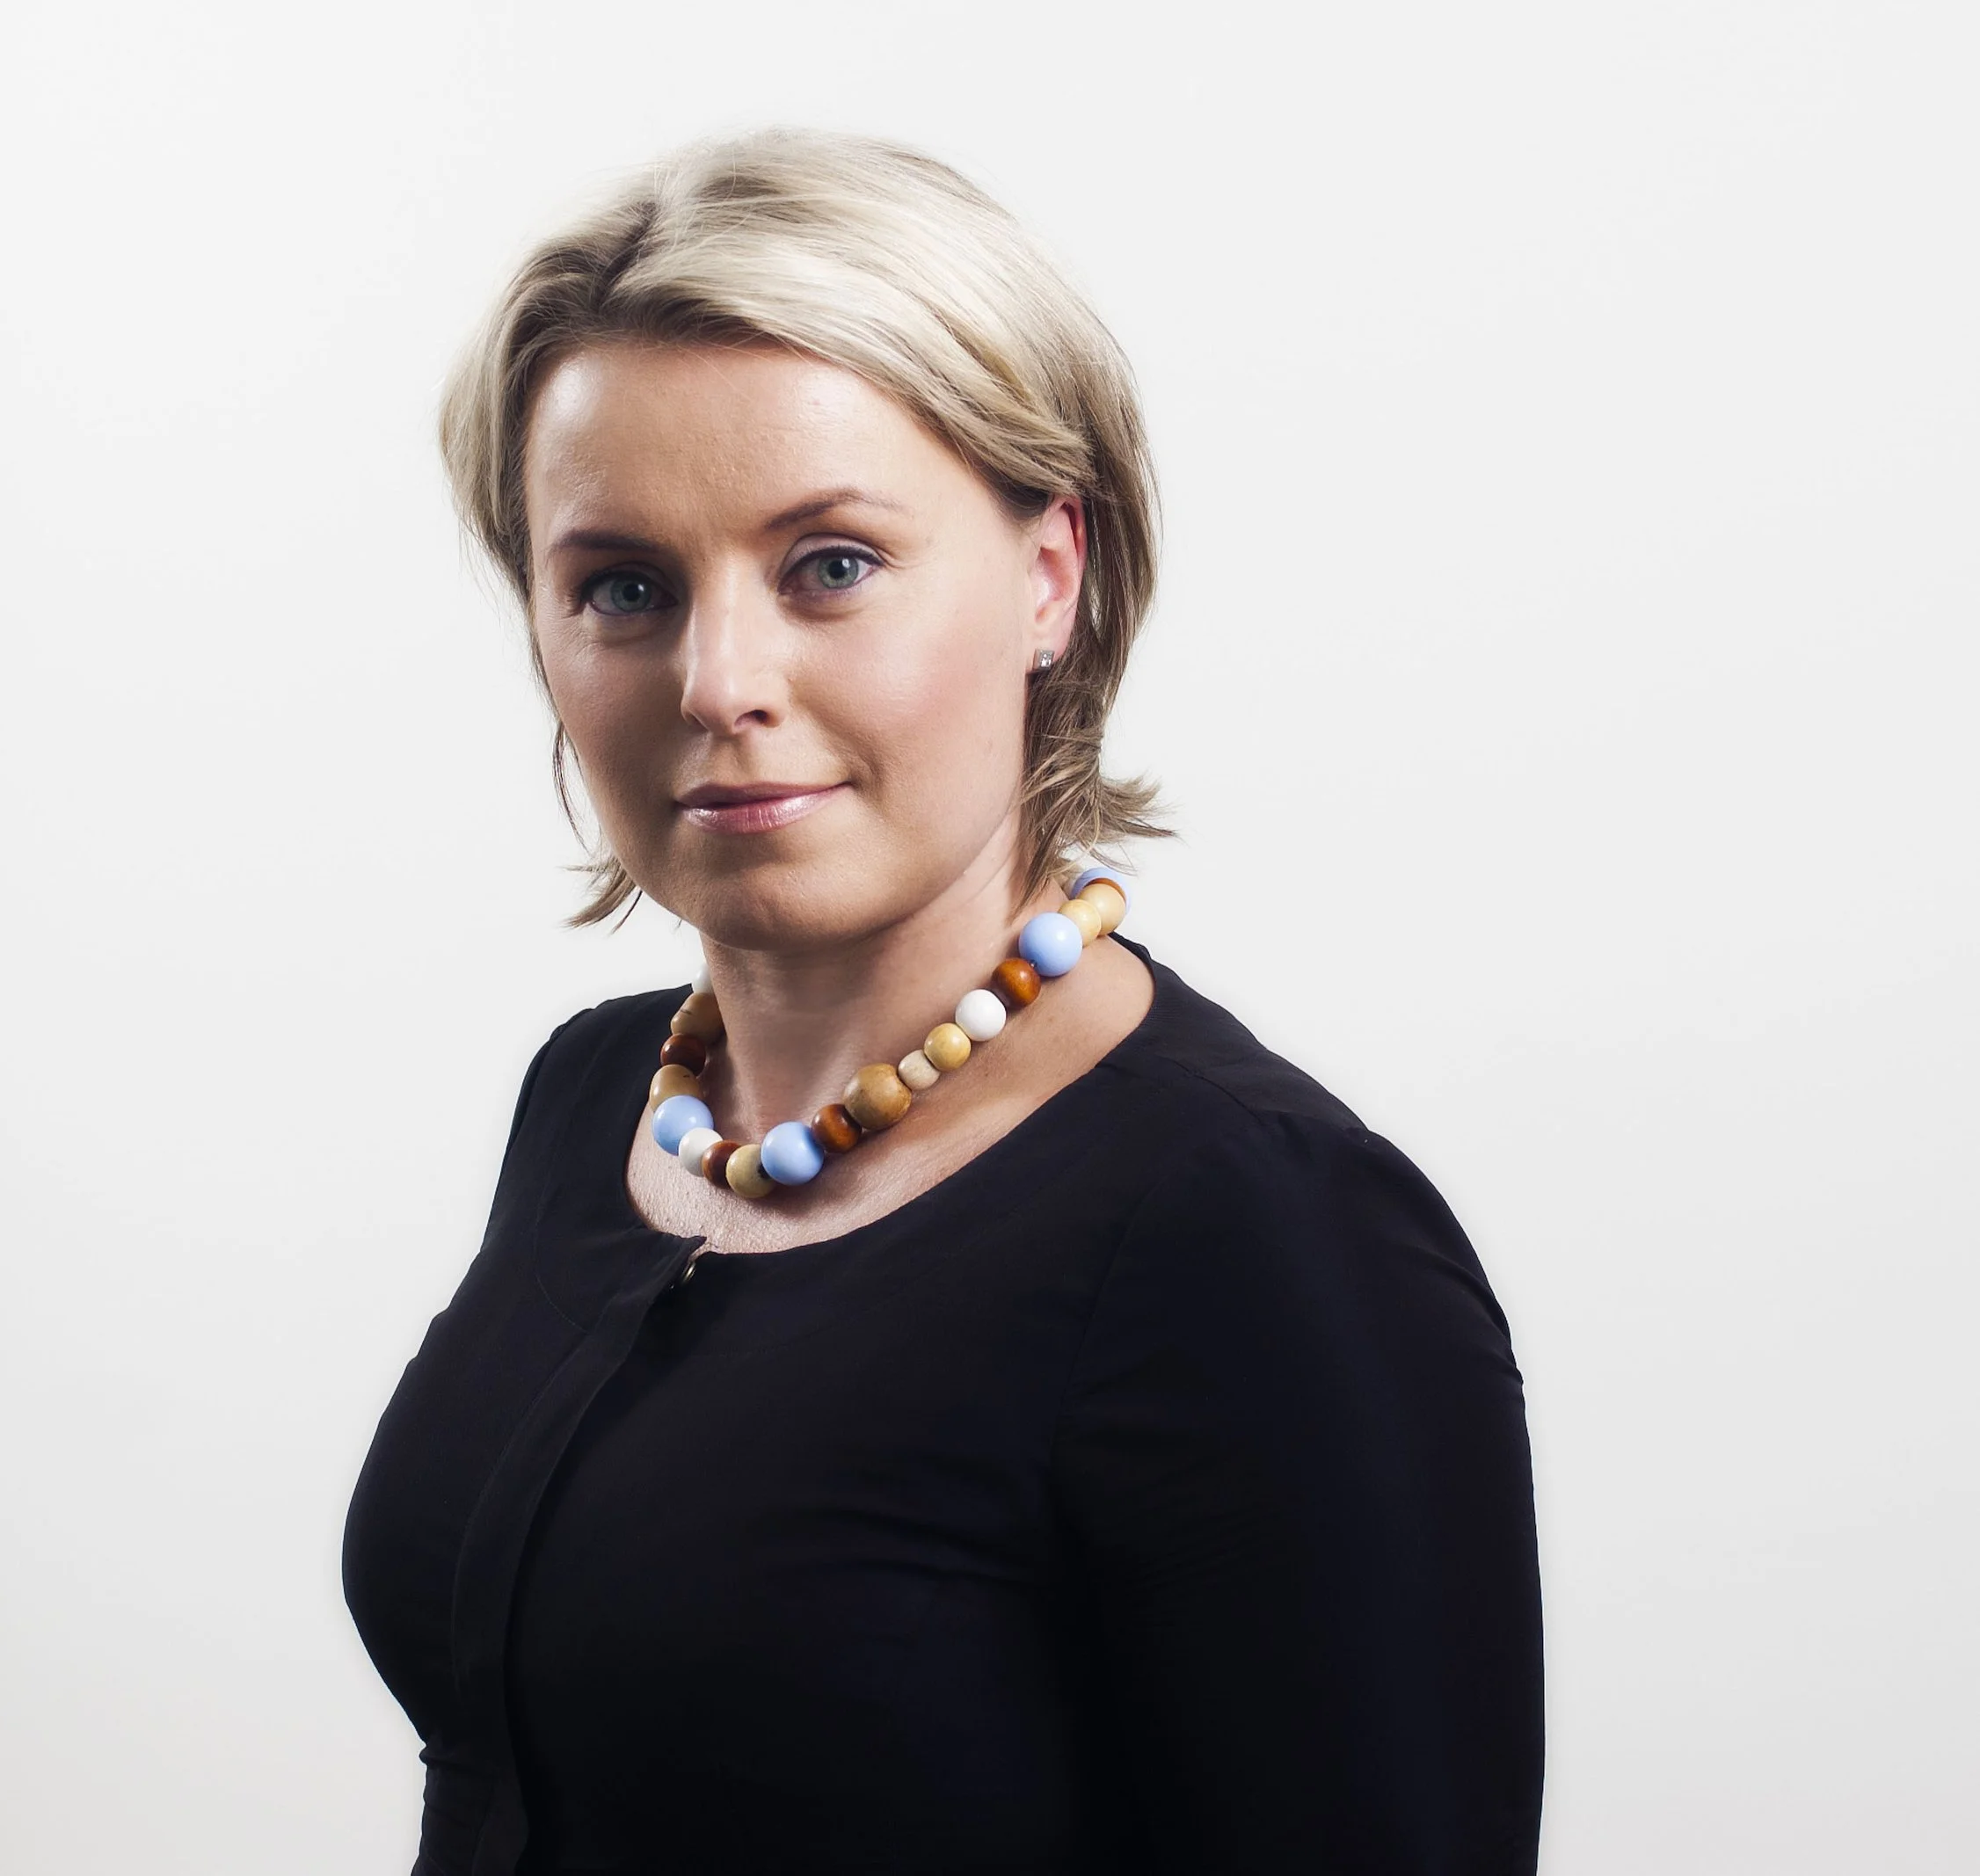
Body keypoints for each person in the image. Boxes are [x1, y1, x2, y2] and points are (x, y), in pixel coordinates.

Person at [342, 127, 1543, 1875]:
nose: (719, 679)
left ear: (1048, 571)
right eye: (622, 585)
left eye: (828, 562)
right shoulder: (595, 1099)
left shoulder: (1255, 1231)